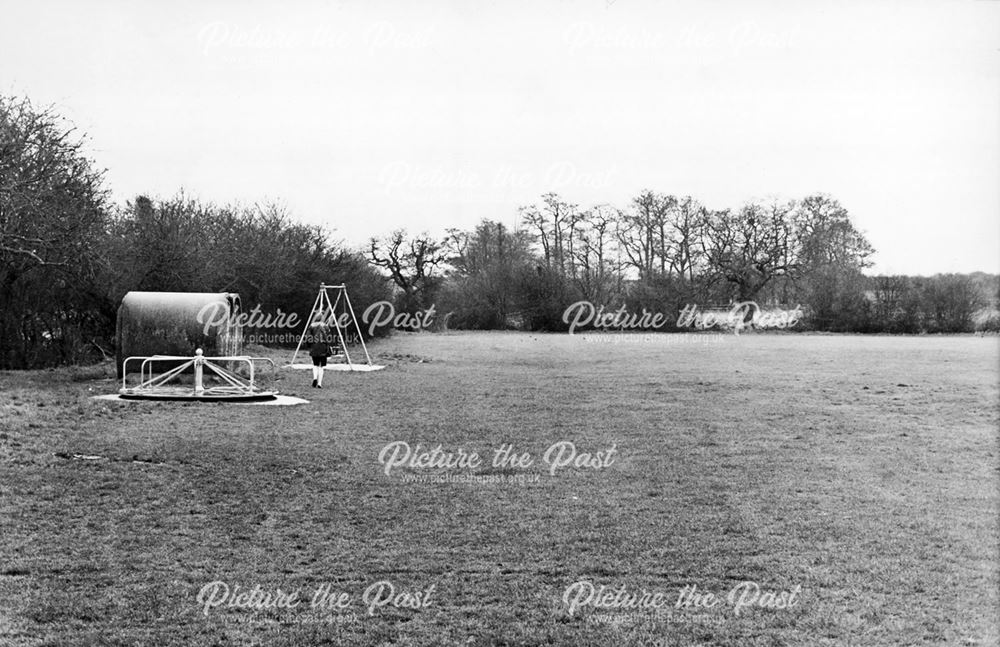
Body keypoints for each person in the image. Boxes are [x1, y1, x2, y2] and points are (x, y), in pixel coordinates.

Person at [309, 321, 333, 388]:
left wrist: (310, 345)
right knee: (321, 366)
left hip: (314, 348)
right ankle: (319, 383)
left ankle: (315, 378)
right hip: (323, 348)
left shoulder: (311, 325)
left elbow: (308, 337)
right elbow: (328, 335)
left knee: (315, 365)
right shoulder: (325, 326)